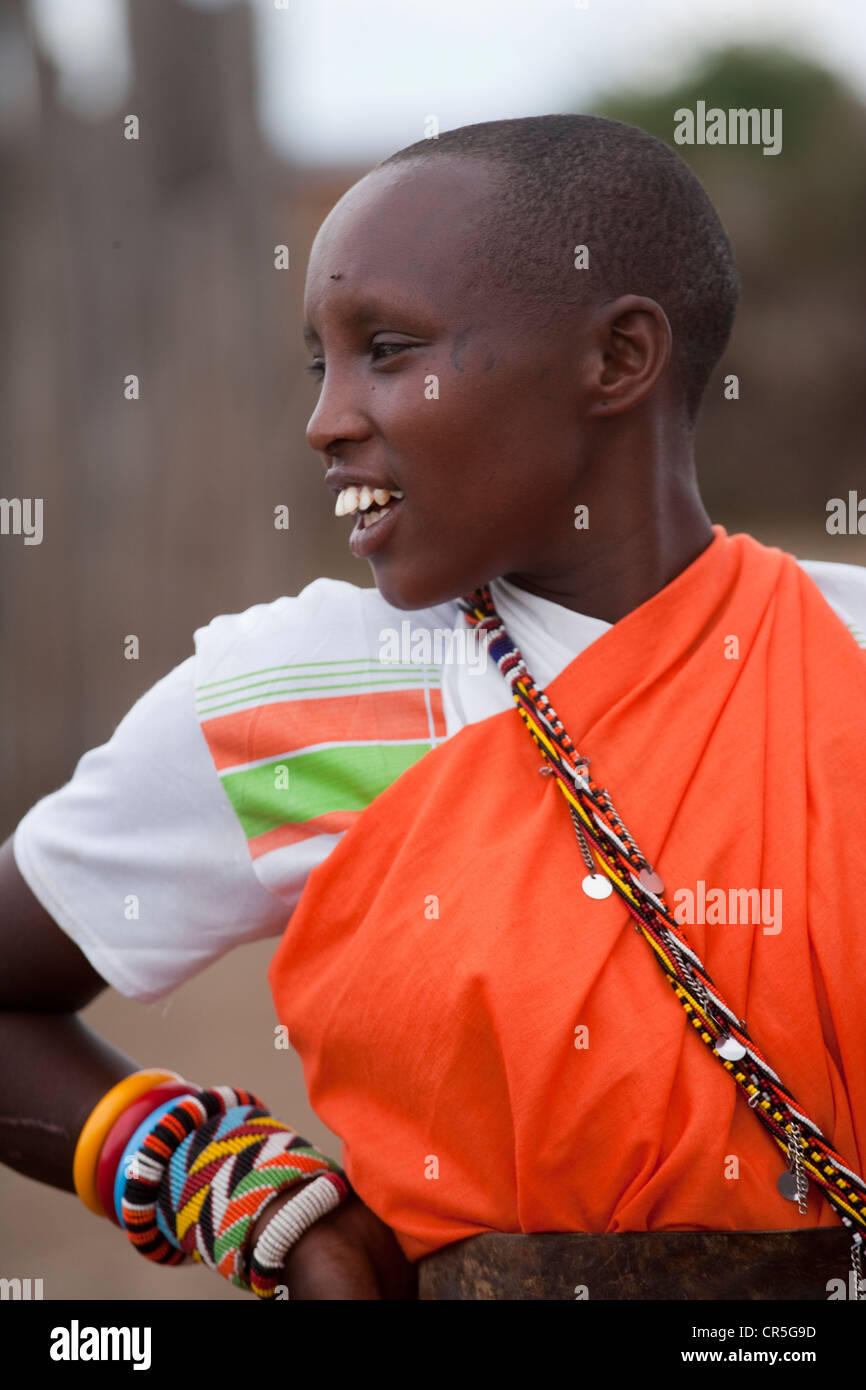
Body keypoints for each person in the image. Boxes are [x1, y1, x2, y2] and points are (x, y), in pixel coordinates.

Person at [2, 114, 865, 1301]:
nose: (326, 419)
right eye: (322, 364)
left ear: (615, 360)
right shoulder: (286, 695)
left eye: (388, 349)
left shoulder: (846, 658)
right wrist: (237, 1192)